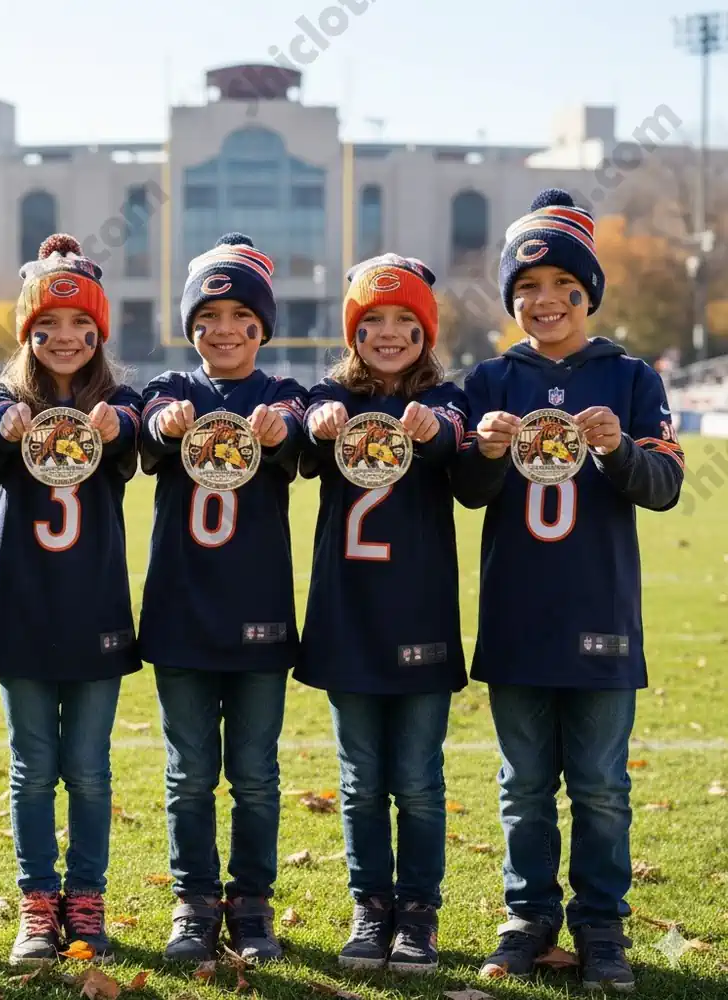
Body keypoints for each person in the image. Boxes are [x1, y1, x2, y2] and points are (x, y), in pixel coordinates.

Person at [453, 189, 685, 993]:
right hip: (516, 609)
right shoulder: (489, 377)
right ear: (512, 299)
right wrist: (479, 454)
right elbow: (468, 493)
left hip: (598, 611)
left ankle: (600, 924)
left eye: (562, 288)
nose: (544, 302)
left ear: (587, 294)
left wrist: (620, 451)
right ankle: (528, 917)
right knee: (521, 787)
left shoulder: (629, 376)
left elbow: (664, 488)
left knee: (600, 786)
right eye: (527, 290)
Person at [0, 234, 142, 966]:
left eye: (79, 327)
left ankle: (88, 897)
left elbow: (140, 436)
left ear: (99, 332)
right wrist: (1, 425)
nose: (63, 339)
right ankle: (39, 903)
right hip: (22, 606)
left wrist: (119, 425)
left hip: (94, 608)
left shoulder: (120, 401)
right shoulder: (4, 400)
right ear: (27, 334)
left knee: (91, 768)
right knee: (31, 766)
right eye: (46, 328)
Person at [138, 233, 307, 963]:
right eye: (207, 315)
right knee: (188, 773)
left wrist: (284, 431)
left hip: (259, 610)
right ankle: (194, 900)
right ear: (190, 326)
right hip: (181, 608)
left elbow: (305, 442)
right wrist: (160, 425)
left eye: (241, 314)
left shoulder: (286, 395)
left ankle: (253, 902)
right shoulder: (168, 392)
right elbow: (140, 439)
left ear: (262, 327)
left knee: (257, 773)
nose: (224, 329)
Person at [298, 254, 467, 974]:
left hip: (419, 613)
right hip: (347, 612)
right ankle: (371, 907)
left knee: (420, 780)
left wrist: (440, 435)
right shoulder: (328, 396)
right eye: (374, 322)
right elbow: (299, 440)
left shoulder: (447, 403)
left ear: (426, 330)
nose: (390, 333)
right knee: (362, 777)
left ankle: (419, 913)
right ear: (353, 331)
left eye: (406, 320)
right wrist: (317, 422)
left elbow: (473, 466)